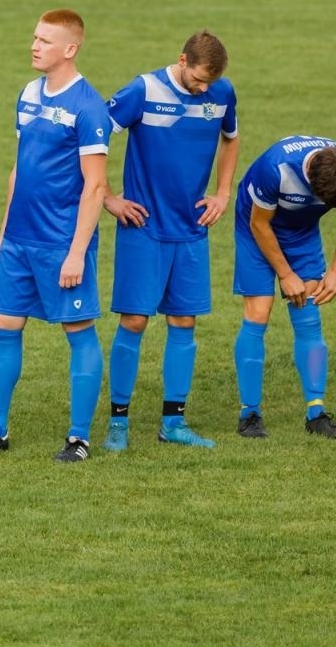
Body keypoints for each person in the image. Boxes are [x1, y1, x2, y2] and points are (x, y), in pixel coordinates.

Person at [0, 10, 108, 463]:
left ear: (70, 49)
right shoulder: (27, 93)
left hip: (62, 242)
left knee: (78, 332)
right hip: (20, 241)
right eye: (34, 38)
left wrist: (78, 252)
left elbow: (96, 186)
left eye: (44, 40)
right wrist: (4, 233)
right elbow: (20, 168)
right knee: (4, 326)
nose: (34, 45)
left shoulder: (88, 107)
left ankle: (79, 437)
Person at [100, 31, 238, 452]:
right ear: (181, 60)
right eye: (197, 80)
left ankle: (173, 423)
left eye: (208, 83)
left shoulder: (222, 92)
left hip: (192, 228)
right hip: (144, 228)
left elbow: (230, 139)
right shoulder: (143, 90)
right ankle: (118, 424)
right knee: (135, 321)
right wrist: (108, 198)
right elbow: (93, 139)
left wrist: (223, 192)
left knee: (184, 322)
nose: (202, 89)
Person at [231, 136, 336, 439]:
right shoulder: (275, 168)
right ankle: (249, 414)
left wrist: (335, 272)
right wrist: (285, 273)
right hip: (255, 226)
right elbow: (259, 225)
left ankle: (316, 413)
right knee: (258, 313)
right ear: (308, 180)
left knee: (308, 314)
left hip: (302, 232)